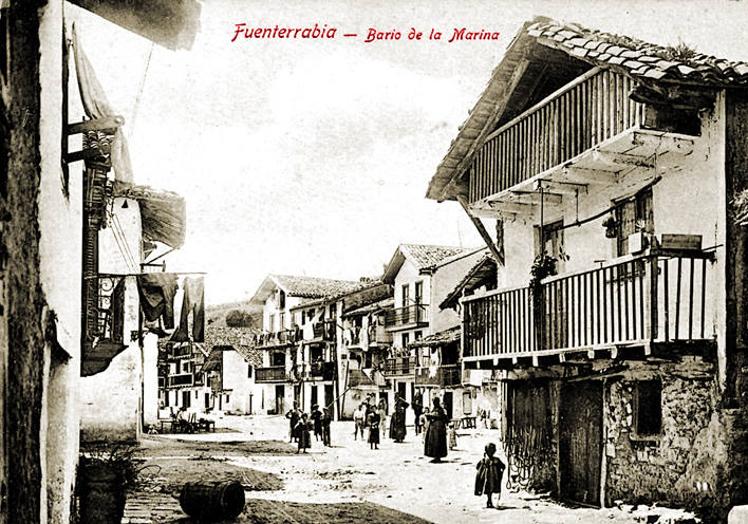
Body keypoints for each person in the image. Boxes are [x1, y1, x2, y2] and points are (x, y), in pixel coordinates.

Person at [475, 443, 506, 508]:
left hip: (491, 478)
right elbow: (503, 466)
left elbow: (477, 467)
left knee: (489, 490)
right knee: (489, 490)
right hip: (490, 478)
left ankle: (489, 501)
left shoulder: (485, 460)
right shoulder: (494, 460)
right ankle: (489, 501)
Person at [424, 397, 448, 462]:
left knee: (437, 442)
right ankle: (435, 456)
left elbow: (440, 416)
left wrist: (431, 416)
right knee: (433, 442)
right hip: (433, 428)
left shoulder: (440, 409)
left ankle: (438, 457)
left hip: (438, 428)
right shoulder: (434, 409)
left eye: (435, 402)